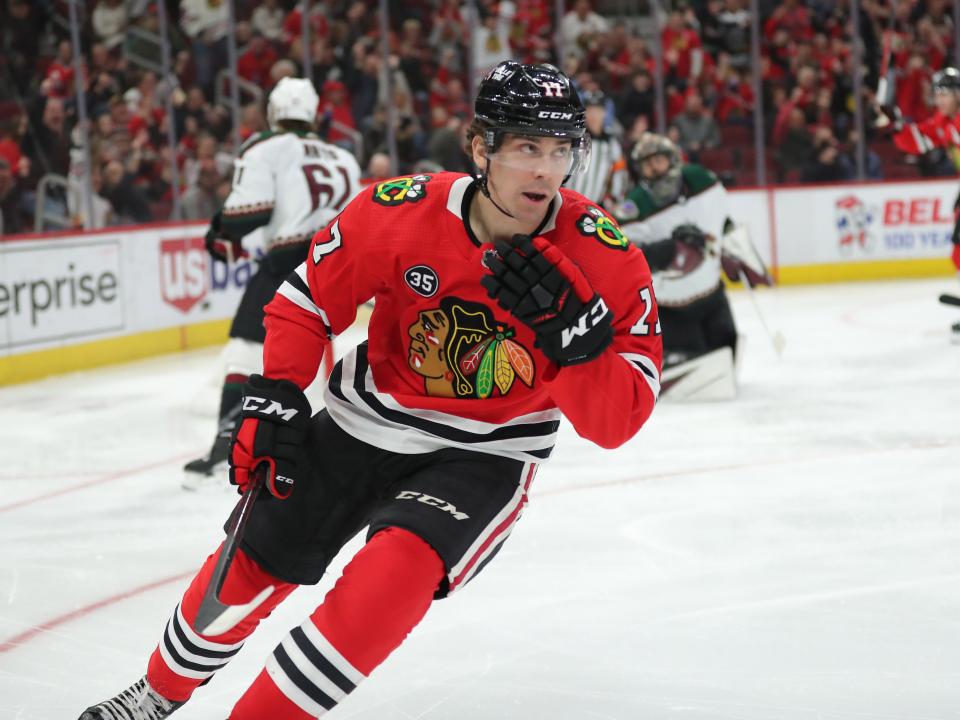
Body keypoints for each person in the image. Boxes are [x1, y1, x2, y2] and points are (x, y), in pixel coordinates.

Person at [78, 61, 662, 720]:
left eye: (562, 151)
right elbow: (304, 298)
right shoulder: (401, 212)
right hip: (361, 422)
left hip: (483, 457)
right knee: (250, 563)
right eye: (527, 147)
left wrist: (578, 349)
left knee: (385, 587)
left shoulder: (607, 257)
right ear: (480, 148)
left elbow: (619, 422)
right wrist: (275, 392)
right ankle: (155, 695)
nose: (546, 172)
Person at [181, 77, 361, 487]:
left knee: (246, 348)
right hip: (339, 262)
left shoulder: (266, 146)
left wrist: (221, 235)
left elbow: (248, 210)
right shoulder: (344, 157)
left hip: (287, 261)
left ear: (273, 112)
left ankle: (228, 441)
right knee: (320, 355)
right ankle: (326, 446)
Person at [615, 132, 769, 400]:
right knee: (698, 368)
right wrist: (663, 251)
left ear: (673, 159)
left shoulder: (702, 181)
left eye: (658, 160)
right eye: (647, 163)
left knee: (727, 353)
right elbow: (621, 256)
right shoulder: (634, 206)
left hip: (712, 297)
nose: (654, 168)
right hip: (671, 309)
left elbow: (721, 222)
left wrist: (734, 249)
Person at [883, 67, 960, 340]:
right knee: (959, 253)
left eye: (944, 94)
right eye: (937, 94)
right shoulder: (945, 122)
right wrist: (896, 125)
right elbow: (919, 139)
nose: (939, 100)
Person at [565, 88, 627, 207]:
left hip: (595, 206)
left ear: (604, 112)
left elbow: (619, 172)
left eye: (597, 110)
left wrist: (615, 197)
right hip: (568, 202)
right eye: (590, 110)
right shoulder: (574, 137)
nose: (593, 115)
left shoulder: (611, 142)